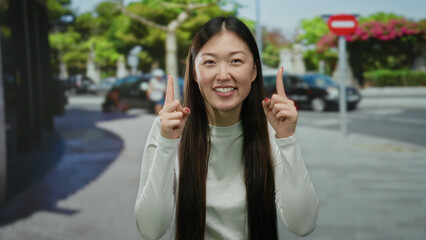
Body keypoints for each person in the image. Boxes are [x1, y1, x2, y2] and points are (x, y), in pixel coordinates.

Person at [135, 17, 318, 240]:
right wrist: (167, 144)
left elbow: (303, 224)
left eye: (236, 61)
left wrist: (287, 138)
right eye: (210, 62)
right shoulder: (169, 128)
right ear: (194, 72)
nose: (223, 75)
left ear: (253, 71)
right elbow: (150, 229)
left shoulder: (272, 130)